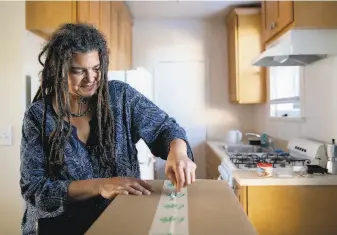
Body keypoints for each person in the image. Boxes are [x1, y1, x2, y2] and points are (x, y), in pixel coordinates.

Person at [20, 23, 196, 235]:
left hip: (118, 222)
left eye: (96, 69)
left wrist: (178, 151)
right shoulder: (38, 116)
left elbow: (165, 128)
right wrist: (101, 186)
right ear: (58, 71)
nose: (91, 79)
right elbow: (35, 188)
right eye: (78, 71)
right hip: (59, 228)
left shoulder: (120, 97)